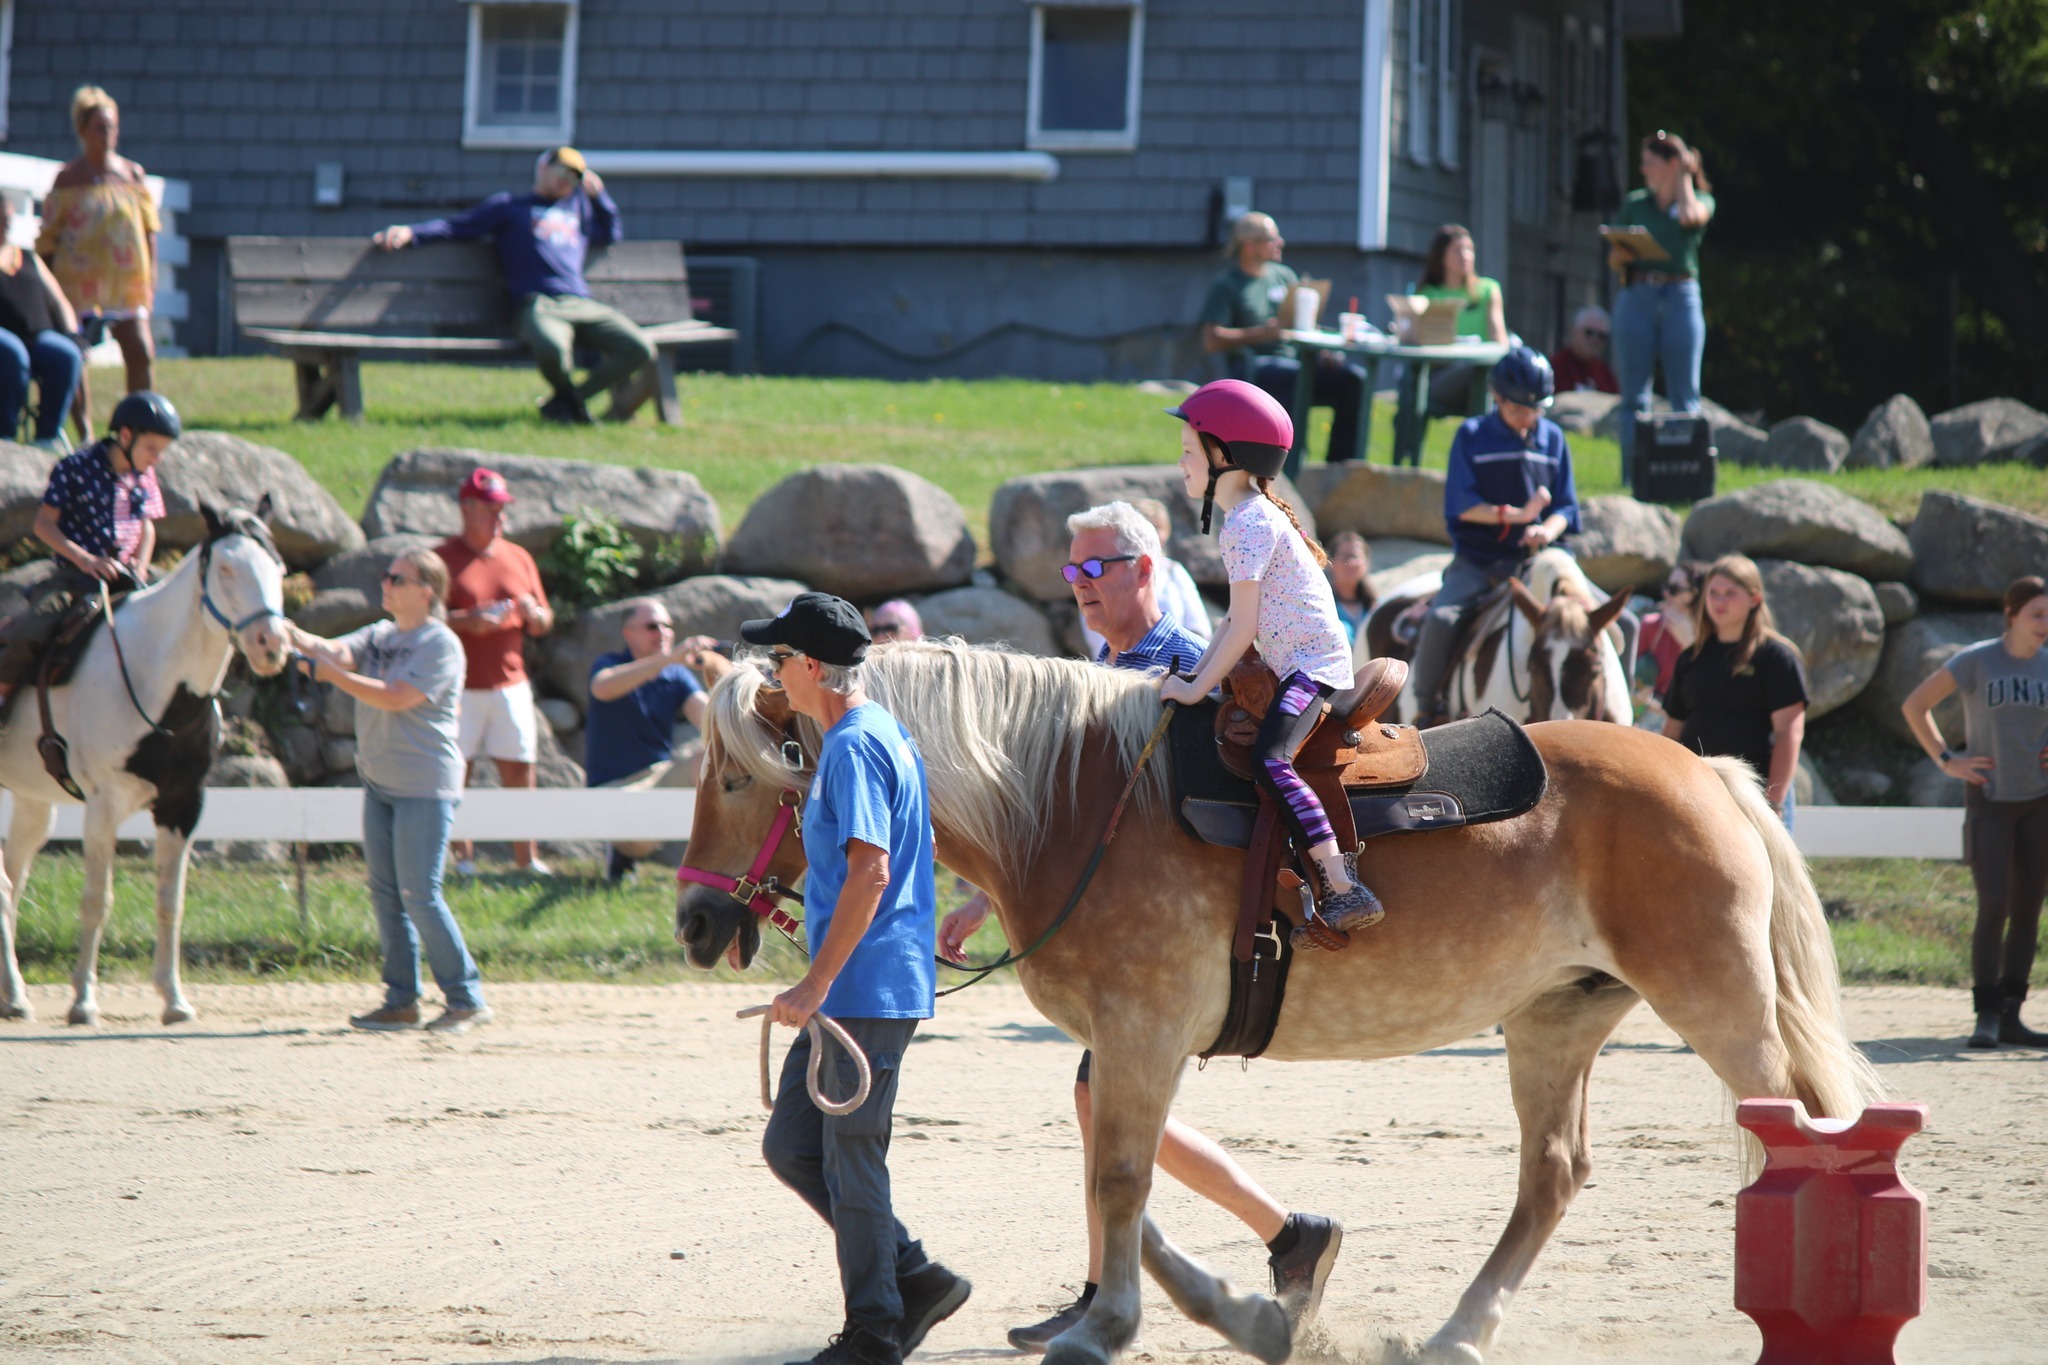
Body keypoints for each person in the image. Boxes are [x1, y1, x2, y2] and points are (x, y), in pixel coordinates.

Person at [942, 499, 1344, 1349]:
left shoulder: (1177, 670)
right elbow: (1065, 820)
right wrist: (985, 897)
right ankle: (1279, 1236)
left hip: (1160, 944)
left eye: (1097, 569)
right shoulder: (1111, 660)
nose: (1081, 585)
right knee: (1104, 1104)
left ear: (1143, 571)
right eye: (1072, 571)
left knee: (1103, 1102)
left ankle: (1132, 1280)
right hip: (1125, 938)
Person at [744, 592, 971, 1365]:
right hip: (863, 982)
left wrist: (814, 983)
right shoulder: (878, 735)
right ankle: (912, 1272)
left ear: (811, 665)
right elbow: (921, 840)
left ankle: (874, 1327)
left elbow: (871, 871)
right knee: (794, 1145)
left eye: (779, 660)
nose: (774, 673)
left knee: (851, 1154)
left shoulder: (850, 745)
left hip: (861, 988)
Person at [1160, 380, 1382, 944]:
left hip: (1313, 667)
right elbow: (1229, 627)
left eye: (1189, 453)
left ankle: (1342, 883)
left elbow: (1242, 628)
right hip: (1300, 659)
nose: (1180, 464)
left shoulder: (1248, 524)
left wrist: (1191, 692)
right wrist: (1193, 680)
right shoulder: (1252, 518)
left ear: (1224, 459)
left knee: (1272, 761)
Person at [286, 548, 490, 1034]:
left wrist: (332, 675)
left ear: (426, 591)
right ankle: (401, 1001)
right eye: (387, 575)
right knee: (386, 895)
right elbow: (330, 649)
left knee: (420, 894)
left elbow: (398, 698)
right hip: (380, 781)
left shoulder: (440, 644)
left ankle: (466, 998)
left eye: (397, 577)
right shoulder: (378, 634)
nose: (386, 582)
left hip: (425, 784)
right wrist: (284, 631)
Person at [372, 146, 655, 425]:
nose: (565, 181)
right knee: (553, 350)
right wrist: (411, 232)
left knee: (640, 348)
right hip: (538, 304)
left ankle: (567, 402)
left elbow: (610, 233)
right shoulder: (509, 208)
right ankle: (569, 404)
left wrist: (600, 195)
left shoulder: (577, 212)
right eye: (561, 172)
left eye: (574, 178)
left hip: (582, 303)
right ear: (542, 167)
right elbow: (456, 227)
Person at [1900, 576, 2048, 1051]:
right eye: (2037, 614)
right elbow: (1915, 704)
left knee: (2028, 910)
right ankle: (1985, 1013)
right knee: (1995, 905)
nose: (2044, 625)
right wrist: (1948, 760)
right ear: (2012, 615)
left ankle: (2012, 1015)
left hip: (2039, 802)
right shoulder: (1977, 661)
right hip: (1990, 800)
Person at [1407, 347, 1580, 726]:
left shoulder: (1554, 440)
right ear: (1496, 397)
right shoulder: (1472, 435)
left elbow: (1566, 507)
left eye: (1536, 409)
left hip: (1541, 560)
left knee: (1622, 623)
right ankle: (1425, 704)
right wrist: (1517, 516)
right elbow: (1462, 504)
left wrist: (1544, 529)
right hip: (1481, 561)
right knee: (1442, 619)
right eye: (1518, 408)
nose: (1527, 417)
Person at [0, 390, 175, 705]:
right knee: (37, 625)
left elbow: (146, 526)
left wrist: (141, 562)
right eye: (152, 448)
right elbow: (44, 524)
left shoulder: (145, 475)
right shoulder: (74, 468)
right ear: (125, 435)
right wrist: (85, 560)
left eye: (162, 451)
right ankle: (3, 692)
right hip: (75, 576)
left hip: (128, 575)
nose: (156, 458)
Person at [437, 468, 556, 877]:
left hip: (510, 682)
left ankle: (527, 859)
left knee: (520, 766)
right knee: (456, 770)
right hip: (459, 686)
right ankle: (459, 858)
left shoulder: (517, 557)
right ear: (466, 508)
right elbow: (426, 620)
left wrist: (532, 614)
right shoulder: (441, 559)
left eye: (502, 509)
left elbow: (543, 620)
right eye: (491, 509)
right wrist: (467, 621)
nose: (499, 518)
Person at [1199, 212, 1368, 465]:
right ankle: (1287, 464)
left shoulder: (1285, 276)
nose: (1281, 243)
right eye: (1272, 238)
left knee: (1353, 379)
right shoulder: (1227, 286)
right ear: (1249, 245)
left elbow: (1304, 323)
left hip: (1297, 362)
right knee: (1293, 378)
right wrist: (1260, 334)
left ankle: (1339, 467)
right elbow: (1211, 339)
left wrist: (1324, 352)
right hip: (1253, 367)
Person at [585, 597, 727, 883]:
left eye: (667, 626)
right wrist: (669, 659)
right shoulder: (610, 664)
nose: (662, 633)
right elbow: (602, 688)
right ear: (628, 633)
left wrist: (721, 673)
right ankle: (623, 854)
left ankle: (723, 863)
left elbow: (710, 721)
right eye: (652, 626)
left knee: (723, 756)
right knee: (633, 826)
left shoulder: (675, 674)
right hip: (616, 788)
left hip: (659, 777)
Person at [1660, 554, 1807, 829]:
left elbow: (1790, 731)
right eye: (1713, 593)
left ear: (1754, 599)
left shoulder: (1777, 658)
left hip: (1755, 797)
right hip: (1695, 795)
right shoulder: (1691, 658)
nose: (1719, 601)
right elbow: (1672, 731)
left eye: (1730, 593)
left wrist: (1773, 802)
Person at [37, 86, 157, 400]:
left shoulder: (132, 175)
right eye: (100, 128)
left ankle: (139, 421)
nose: (108, 134)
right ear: (82, 130)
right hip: (79, 284)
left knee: (141, 349)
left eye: (112, 127)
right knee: (76, 352)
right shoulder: (68, 179)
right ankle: (85, 431)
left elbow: (148, 231)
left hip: (125, 285)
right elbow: (48, 238)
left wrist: (151, 278)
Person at [1609, 130, 1716, 483]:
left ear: (1671, 164)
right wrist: (1620, 253)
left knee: (1684, 394)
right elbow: (1615, 259)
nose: (1643, 169)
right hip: (1637, 293)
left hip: (1680, 295)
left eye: (1650, 162)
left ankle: (1686, 476)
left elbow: (1689, 218)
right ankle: (1633, 476)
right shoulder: (1635, 203)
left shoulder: (1700, 200)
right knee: (1634, 397)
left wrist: (1685, 174)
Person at [1078, 496, 1211, 660]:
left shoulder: (1173, 571)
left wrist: (1188, 662)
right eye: (1150, 526)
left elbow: (1198, 625)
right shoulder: (1094, 587)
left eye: (1159, 528)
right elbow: (1097, 638)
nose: (1079, 583)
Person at [0, 193, 84, 451]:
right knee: (13, 354)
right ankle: (6, 436)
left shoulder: (28, 257)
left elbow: (58, 300)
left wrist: (72, 333)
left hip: (37, 335)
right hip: (5, 338)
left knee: (66, 354)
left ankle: (46, 438)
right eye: (2, 218)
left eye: (8, 218)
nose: (7, 223)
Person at [1410, 223, 1510, 419]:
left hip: (1483, 376)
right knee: (1476, 371)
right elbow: (1419, 344)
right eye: (1458, 250)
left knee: (1483, 372)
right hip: (1440, 378)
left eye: (1469, 250)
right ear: (1441, 257)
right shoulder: (1428, 295)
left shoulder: (1487, 290)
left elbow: (1500, 341)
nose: (1465, 256)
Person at [1634, 560, 1705, 730]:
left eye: (1674, 589)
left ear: (1693, 595)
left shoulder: (1709, 635)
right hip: (1645, 719)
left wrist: (1690, 644)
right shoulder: (1650, 626)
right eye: (1665, 586)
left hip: (1686, 725)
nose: (1665, 593)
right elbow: (1630, 677)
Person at [1325, 530, 1376, 666]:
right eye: (1345, 557)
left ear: (1366, 563)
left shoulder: (1377, 608)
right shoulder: (1322, 605)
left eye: (1355, 557)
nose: (1351, 563)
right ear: (1331, 562)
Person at [1549, 305, 1619, 395]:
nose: (1594, 340)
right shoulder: (1556, 366)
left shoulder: (1605, 373)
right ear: (1574, 331)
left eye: (1601, 336)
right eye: (1589, 332)